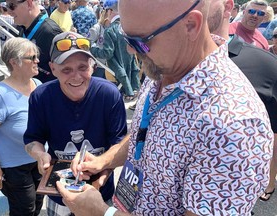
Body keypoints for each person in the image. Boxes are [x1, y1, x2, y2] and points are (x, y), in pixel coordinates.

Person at [56, 0, 273, 215]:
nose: (131, 50)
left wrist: (101, 212)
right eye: (125, 36)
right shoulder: (162, 67)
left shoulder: (235, 125)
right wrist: (106, 160)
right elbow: (146, 131)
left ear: (191, 25)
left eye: (140, 40)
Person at [23, 31, 127, 216]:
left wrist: (103, 174)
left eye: (82, 67)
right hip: (59, 193)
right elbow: (32, 139)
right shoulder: (41, 97)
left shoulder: (109, 95)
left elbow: (118, 145)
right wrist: (40, 155)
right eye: (66, 69)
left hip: (100, 193)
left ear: (92, 66)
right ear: (52, 68)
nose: (76, 76)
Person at [209, 0, 277, 204]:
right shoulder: (227, 32)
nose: (255, 15)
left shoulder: (262, 41)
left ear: (265, 18)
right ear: (242, 12)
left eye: (260, 13)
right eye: (252, 11)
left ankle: (267, 182)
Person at [0, 37, 43, 215]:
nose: (37, 60)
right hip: (14, 167)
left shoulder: (38, 86)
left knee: (37, 203)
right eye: (32, 57)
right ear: (14, 62)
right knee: (24, 209)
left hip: (39, 160)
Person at [90, 0, 140, 101]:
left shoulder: (110, 30)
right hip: (129, 73)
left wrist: (93, 49)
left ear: (109, 11)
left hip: (115, 73)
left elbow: (107, 53)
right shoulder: (127, 27)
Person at [6, 0, 62, 83]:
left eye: (11, 6)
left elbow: (64, 72)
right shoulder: (22, 29)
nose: (9, 11)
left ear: (29, 4)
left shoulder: (51, 32)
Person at [88, 7, 110, 78]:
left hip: (110, 67)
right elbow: (88, 42)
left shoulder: (115, 29)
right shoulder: (97, 28)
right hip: (98, 65)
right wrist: (98, 51)